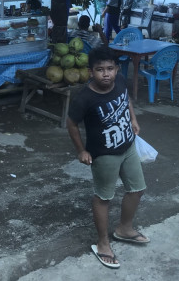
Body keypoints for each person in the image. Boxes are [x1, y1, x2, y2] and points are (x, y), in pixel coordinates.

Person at [66, 46, 148, 270]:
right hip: (103, 154)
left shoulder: (119, 81)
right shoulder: (84, 98)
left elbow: (125, 98)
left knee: (137, 189)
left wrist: (133, 119)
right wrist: (81, 150)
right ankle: (103, 243)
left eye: (110, 69)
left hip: (128, 146)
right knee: (104, 197)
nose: (106, 74)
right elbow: (71, 123)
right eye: (100, 69)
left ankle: (124, 228)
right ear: (90, 72)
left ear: (117, 69)